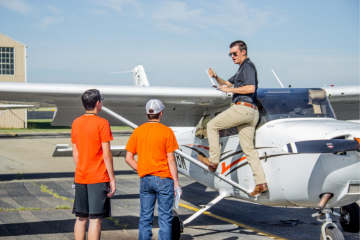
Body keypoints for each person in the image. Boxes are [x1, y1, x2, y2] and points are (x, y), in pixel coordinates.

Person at [198, 40, 268, 196]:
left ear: (243, 52)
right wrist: (216, 77)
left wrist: (231, 91)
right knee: (249, 149)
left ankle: (213, 161)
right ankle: (261, 183)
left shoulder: (248, 66)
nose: (232, 56)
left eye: (234, 53)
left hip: (243, 108)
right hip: (251, 112)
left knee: (212, 126)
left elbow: (250, 88)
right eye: (230, 54)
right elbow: (227, 84)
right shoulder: (241, 70)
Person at [125, 99, 181, 240]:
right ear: (160, 113)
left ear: (147, 113)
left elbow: (128, 158)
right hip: (164, 180)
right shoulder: (167, 132)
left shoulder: (138, 131)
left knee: (145, 218)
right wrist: (176, 184)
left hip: (145, 179)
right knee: (165, 218)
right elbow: (171, 161)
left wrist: (142, 169)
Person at [71, 89, 116, 240]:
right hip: (98, 177)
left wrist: (83, 167)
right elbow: (107, 155)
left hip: (80, 176)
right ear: (97, 103)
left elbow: (75, 153)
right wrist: (112, 179)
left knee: (81, 217)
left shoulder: (76, 122)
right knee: (95, 219)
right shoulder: (102, 123)